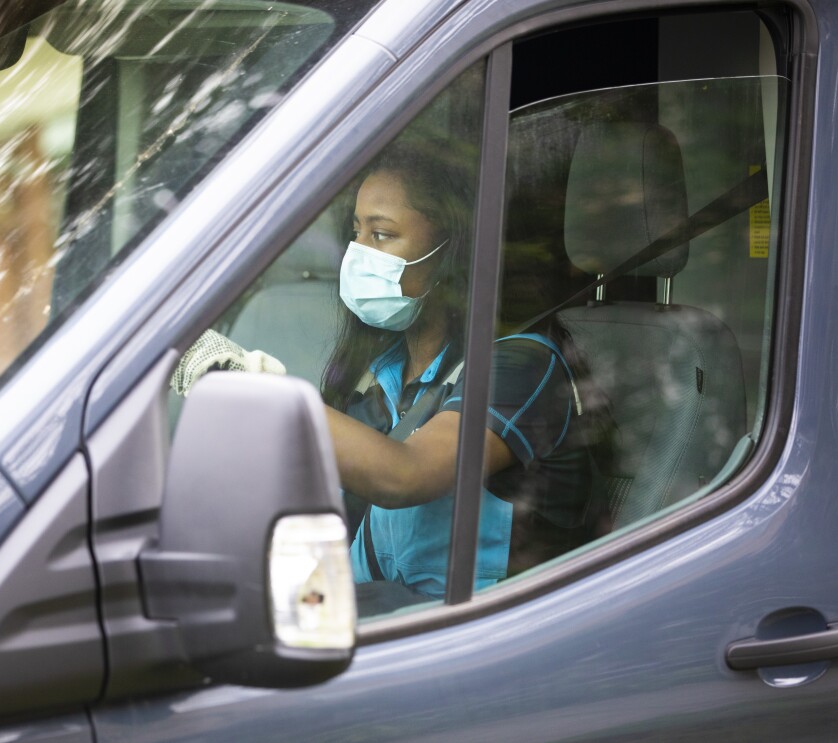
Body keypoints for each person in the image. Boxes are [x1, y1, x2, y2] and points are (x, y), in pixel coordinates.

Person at [171, 140, 611, 607]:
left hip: (463, 631)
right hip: (374, 609)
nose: (358, 253)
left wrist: (249, 384)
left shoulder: (524, 365)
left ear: (451, 251)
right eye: (356, 232)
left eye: (381, 236)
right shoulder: (379, 373)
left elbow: (406, 475)